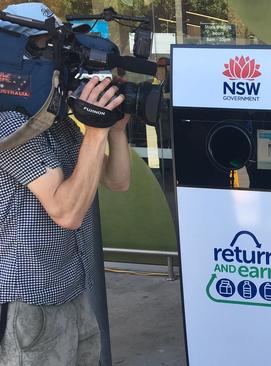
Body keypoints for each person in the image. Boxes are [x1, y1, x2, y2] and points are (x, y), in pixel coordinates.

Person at [0, 3, 131, 365]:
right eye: (49, 51)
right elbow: (67, 211)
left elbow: (116, 182)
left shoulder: (55, 121)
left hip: (74, 290)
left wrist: (114, 130)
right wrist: (95, 132)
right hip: (30, 304)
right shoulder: (8, 125)